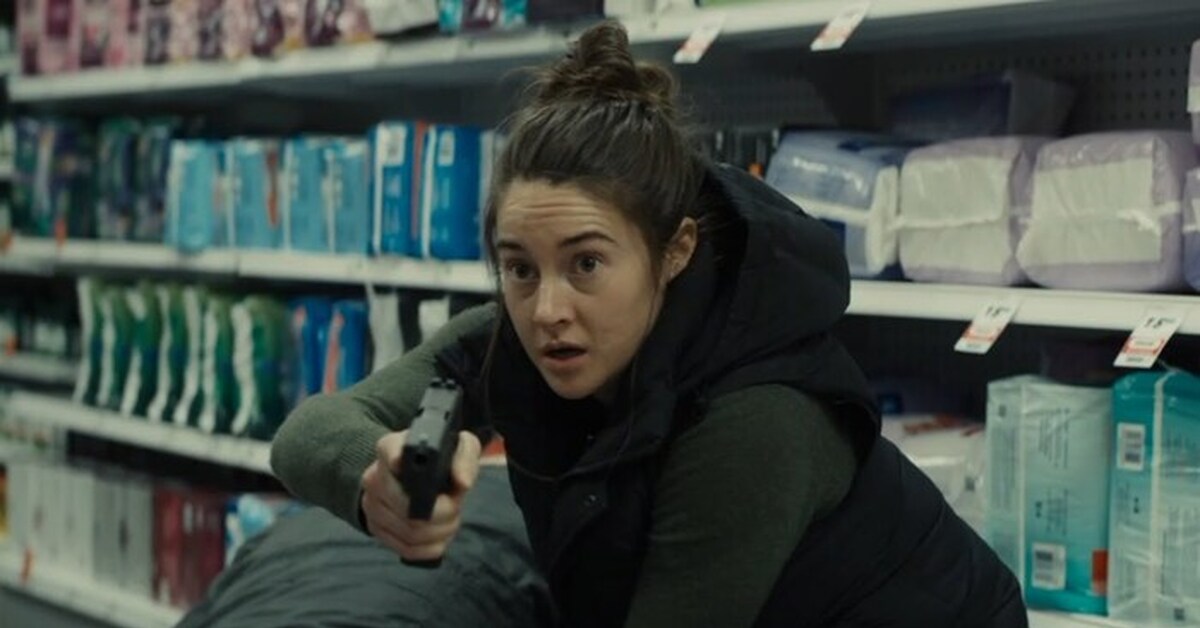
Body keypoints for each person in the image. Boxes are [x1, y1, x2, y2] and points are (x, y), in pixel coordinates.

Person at [271, 21, 1027, 628]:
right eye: (519, 267)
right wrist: (374, 481)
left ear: (675, 251)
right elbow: (305, 435)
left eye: (586, 264)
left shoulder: (752, 425)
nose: (547, 310)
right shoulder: (512, 341)